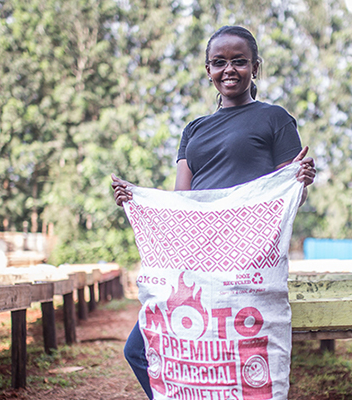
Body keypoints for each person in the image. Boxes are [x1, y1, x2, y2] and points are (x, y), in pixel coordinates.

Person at [111, 25, 315, 399]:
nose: (229, 70)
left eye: (239, 61)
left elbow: (288, 196)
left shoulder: (275, 119)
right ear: (208, 71)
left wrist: (299, 181)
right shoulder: (195, 129)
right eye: (219, 62)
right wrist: (136, 199)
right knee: (139, 350)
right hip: (194, 258)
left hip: (245, 260)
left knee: (239, 353)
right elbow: (181, 200)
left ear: (256, 67)